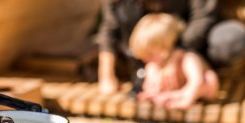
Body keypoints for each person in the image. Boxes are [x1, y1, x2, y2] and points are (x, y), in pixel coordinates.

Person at [97, 0, 245, 104]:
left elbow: (203, 17)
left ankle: (200, 75)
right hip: (148, 51)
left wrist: (175, 55)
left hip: (194, 43)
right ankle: (144, 73)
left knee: (232, 39)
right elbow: (109, 28)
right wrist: (106, 76)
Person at [129, 13, 219, 109]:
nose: (146, 60)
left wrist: (187, 100)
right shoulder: (153, 65)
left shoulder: (186, 58)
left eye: (150, 55)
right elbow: (150, 86)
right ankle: (176, 96)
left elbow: (197, 82)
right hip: (175, 94)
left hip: (194, 92)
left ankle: (182, 96)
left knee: (210, 79)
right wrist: (152, 93)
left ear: (165, 47)